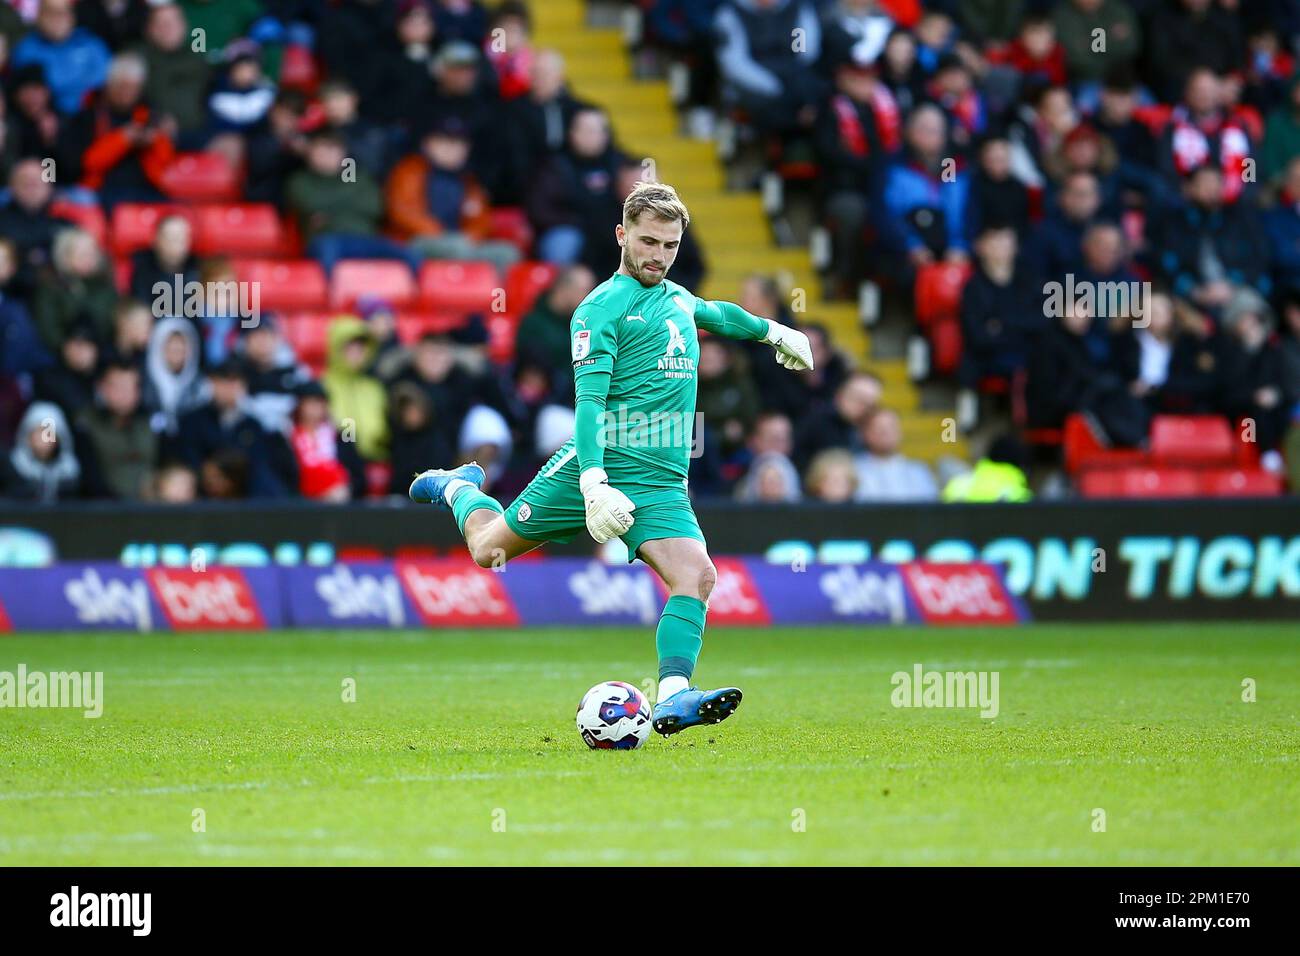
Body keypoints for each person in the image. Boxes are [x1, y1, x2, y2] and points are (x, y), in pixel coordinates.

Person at [408, 181, 814, 738]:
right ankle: (458, 487)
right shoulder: (598, 311)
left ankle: (673, 696)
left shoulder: (676, 298)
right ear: (622, 236)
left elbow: (716, 314)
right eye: (648, 242)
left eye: (670, 246)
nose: (658, 256)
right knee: (488, 550)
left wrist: (775, 332)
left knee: (696, 575)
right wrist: (594, 483)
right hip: (594, 469)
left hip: (663, 481)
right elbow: (590, 404)